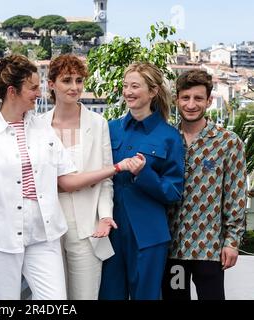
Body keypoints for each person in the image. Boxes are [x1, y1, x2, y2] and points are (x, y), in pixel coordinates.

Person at [0, 54, 145, 300]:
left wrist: (118, 168)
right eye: (32, 88)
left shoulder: (43, 128)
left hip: (44, 236)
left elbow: (66, 180)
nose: (39, 93)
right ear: (12, 91)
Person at [98, 62, 185, 300]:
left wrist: (143, 175)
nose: (128, 91)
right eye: (125, 86)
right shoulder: (109, 129)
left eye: (135, 86)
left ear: (153, 91)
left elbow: (174, 191)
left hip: (149, 236)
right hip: (110, 232)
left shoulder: (170, 136)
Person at [162, 70, 246, 300]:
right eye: (185, 98)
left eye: (198, 98)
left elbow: (236, 195)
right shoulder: (165, 138)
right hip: (173, 249)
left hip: (210, 249)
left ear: (209, 101)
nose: (191, 104)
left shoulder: (228, 142)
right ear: (176, 99)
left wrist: (231, 242)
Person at [40, 54, 115, 299]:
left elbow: (106, 178)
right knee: (53, 300)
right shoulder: (38, 125)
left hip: (87, 227)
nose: (75, 87)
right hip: (46, 227)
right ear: (51, 84)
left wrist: (105, 216)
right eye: (67, 80)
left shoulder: (98, 123)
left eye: (79, 80)